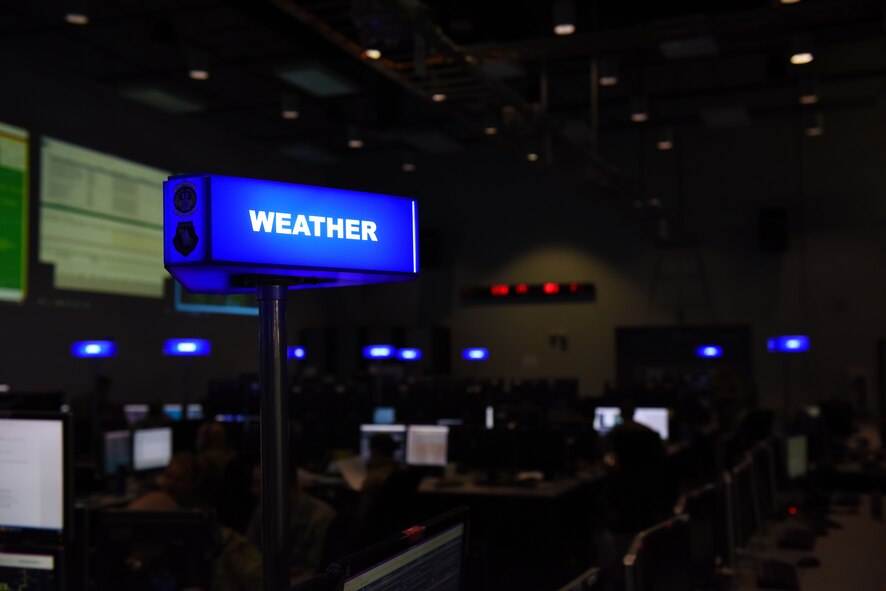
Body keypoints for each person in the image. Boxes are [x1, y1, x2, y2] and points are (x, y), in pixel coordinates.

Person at [127, 452, 263, 591]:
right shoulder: (155, 507)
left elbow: (261, 579)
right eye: (168, 476)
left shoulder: (219, 537)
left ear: (195, 484)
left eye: (179, 479)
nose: (170, 484)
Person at [246, 463, 337, 586]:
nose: (253, 490)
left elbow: (316, 573)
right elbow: (249, 557)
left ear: (287, 487)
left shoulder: (321, 517)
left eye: (260, 484)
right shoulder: (261, 512)